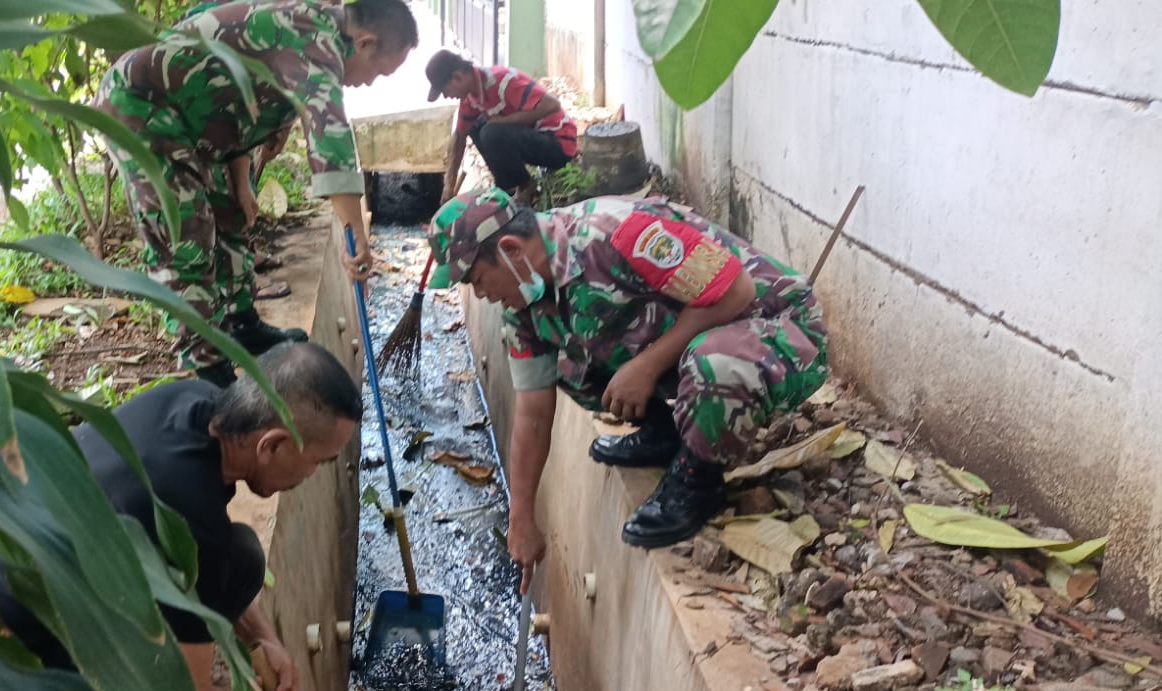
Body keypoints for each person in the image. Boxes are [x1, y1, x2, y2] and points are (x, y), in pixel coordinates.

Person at [425, 188, 828, 593]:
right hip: (697, 335)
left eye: (477, 279)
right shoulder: (525, 303)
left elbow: (737, 291)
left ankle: (699, 479)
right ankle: (664, 432)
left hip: (775, 327)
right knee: (567, 362)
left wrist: (647, 365)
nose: (480, 294)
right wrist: (521, 519)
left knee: (714, 363)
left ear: (511, 249)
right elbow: (532, 410)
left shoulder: (620, 233)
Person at [0, 343, 362, 691]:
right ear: (271, 445)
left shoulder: (197, 400)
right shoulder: (188, 509)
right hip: (19, 638)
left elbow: (203, 565)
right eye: (318, 462)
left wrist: (262, 638)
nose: (313, 475)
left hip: (6, 550)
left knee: (241, 559)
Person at [95, 0, 419, 387]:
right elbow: (331, 143)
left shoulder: (312, 31)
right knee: (185, 236)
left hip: (196, 121)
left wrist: (241, 179)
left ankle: (241, 323)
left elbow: (238, 106)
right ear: (364, 43)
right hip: (141, 106)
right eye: (377, 73)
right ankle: (206, 370)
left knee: (231, 212)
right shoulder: (316, 41)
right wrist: (358, 241)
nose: (368, 83)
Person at [425, 50, 577, 205]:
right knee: (475, 126)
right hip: (532, 138)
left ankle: (525, 186)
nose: (446, 96)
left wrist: (505, 121)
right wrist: (448, 186)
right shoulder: (470, 96)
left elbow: (552, 105)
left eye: (445, 90)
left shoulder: (502, 81)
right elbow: (459, 137)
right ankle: (508, 188)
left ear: (457, 77)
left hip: (559, 145)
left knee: (491, 132)